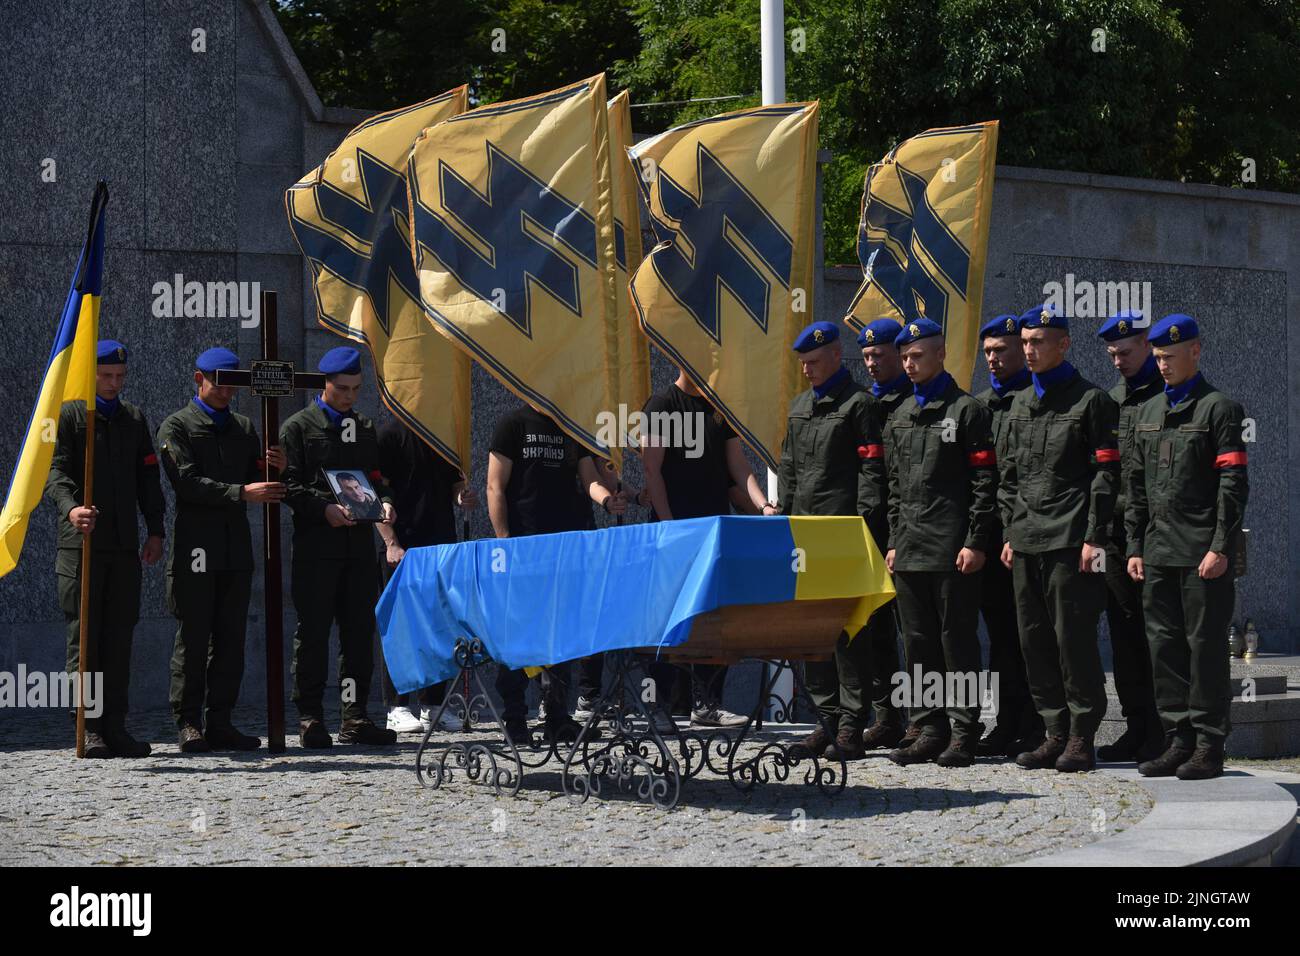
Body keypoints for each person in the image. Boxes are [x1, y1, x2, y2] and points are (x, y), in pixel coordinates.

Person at [1127, 314, 1248, 780]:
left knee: (1205, 649)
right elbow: (1135, 486)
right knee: (1164, 648)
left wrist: (1221, 546)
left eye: (1171, 357)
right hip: (1157, 552)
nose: (1163, 365)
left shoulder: (1220, 409)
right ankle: (1177, 740)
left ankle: (1209, 745)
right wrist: (1135, 545)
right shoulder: (1148, 412)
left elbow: (1233, 486)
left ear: (1195, 353)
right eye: (1157, 358)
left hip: (1202, 555)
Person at [999, 304, 1118, 773]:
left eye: (1038, 342)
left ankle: (1081, 737)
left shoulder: (1091, 402)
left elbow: (1106, 476)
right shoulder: (1019, 404)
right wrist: (1011, 531)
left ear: (1063, 343)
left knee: (1073, 640)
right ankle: (1053, 732)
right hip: (1026, 540)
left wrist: (1095, 537)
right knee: (1034, 640)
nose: (1028, 351)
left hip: (1072, 542)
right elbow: (1008, 476)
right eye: (1024, 343)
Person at [883, 319, 998, 767]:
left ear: (941, 354)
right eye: (905, 357)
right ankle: (929, 727)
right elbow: (895, 488)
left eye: (917, 356)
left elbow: (984, 482)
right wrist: (893, 540)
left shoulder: (967, 412)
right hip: (910, 548)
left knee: (957, 643)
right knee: (917, 643)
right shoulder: (900, 416)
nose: (909, 364)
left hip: (953, 551)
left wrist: (975, 541)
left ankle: (965, 730)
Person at [157, 347, 282, 753]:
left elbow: (255, 477)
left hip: (234, 551)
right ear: (199, 379)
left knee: (230, 641)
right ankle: (188, 721)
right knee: (193, 639)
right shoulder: (176, 427)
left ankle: (221, 720)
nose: (227, 390)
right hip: (195, 549)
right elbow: (187, 484)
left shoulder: (244, 427)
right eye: (218, 382)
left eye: (233, 383)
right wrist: (241, 492)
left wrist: (272, 468)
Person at [44, 339, 164, 758]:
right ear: (90, 374)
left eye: (119, 376)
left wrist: (156, 529)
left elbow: (148, 478)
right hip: (82, 548)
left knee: (118, 640)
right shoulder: (73, 415)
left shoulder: (133, 419)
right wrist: (71, 508)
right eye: (105, 376)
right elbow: (55, 471)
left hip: (122, 546)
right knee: (86, 640)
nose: (113, 384)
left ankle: (115, 726)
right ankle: (89, 725)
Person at [774, 320, 886, 761]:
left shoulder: (859, 405)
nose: (807, 371)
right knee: (811, 634)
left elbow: (873, 472)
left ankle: (851, 727)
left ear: (838, 357)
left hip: (841, 535)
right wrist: (783, 519)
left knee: (846, 634)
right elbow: (788, 467)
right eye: (802, 364)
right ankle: (825, 720)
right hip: (804, 537)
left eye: (814, 362)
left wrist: (861, 524)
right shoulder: (800, 406)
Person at [487, 403, 626, 744]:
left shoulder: (570, 425)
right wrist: (504, 540)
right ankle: (515, 715)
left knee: (561, 632)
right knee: (521, 631)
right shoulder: (511, 422)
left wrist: (607, 501)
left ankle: (557, 715)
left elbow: (590, 479)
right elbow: (495, 486)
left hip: (566, 546)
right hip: (526, 546)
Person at [280, 346, 397, 748]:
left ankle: (354, 716)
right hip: (317, 547)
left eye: (356, 389)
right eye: (343, 389)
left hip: (357, 549)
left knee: (358, 634)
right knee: (312, 634)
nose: (349, 397)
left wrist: (385, 501)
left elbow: (376, 478)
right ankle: (310, 717)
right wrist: (323, 509)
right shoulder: (298, 427)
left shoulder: (363, 427)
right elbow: (289, 486)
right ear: (325, 384)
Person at [641, 367, 770, 730]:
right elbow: (651, 469)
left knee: (713, 619)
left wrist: (763, 507)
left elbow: (738, 467)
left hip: (714, 532)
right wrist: (669, 526)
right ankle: (657, 704)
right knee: (670, 621)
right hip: (675, 532)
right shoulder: (662, 403)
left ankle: (707, 702)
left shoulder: (719, 408)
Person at [374, 418, 478, 734]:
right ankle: (397, 706)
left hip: (440, 544)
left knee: (440, 625)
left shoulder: (444, 432)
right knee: (400, 626)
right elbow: (376, 491)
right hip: (403, 544)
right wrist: (390, 542)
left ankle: (433, 705)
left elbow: (454, 484)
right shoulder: (391, 434)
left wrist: (462, 496)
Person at [1095, 311, 1165, 763]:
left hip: (1163, 535)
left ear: (1146, 345)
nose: (1119, 361)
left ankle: (1166, 731)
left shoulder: (1170, 396)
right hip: (1121, 536)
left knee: (1161, 637)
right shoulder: (1110, 401)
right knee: (1125, 635)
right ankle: (1137, 727)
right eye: (1113, 354)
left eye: (1126, 352)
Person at [973, 313, 1043, 758]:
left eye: (1002, 350)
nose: (994, 359)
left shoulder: (1037, 400)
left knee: (1033, 635)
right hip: (991, 539)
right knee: (1000, 636)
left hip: (1030, 536)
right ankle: (1006, 722)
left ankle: (1039, 724)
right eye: (988, 353)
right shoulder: (979, 406)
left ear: (1023, 348)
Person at [853, 318, 911, 750]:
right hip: (870, 529)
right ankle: (887, 715)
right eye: (867, 356)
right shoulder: (863, 405)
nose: (872, 363)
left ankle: (930, 722)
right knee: (874, 630)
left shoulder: (915, 400)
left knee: (918, 633)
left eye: (880, 355)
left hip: (912, 530)